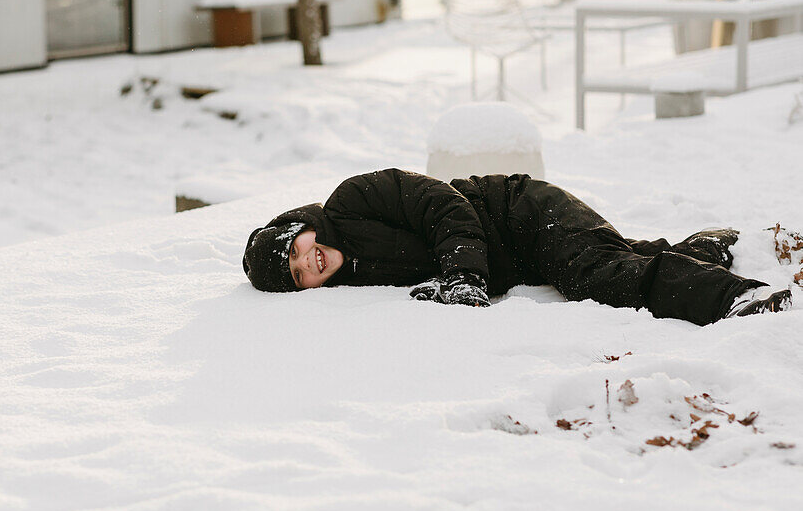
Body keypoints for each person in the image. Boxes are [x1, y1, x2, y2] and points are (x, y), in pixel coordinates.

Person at [242, 168, 793, 326]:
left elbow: (446, 208)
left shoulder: (353, 198)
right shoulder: (351, 278)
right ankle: (703, 249)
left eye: (296, 248)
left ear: (302, 227)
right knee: (606, 256)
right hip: (520, 255)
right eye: (296, 275)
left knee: (594, 274)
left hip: (521, 213)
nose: (306, 262)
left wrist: (464, 276)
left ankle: (731, 298)